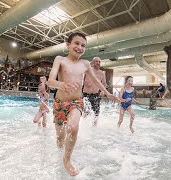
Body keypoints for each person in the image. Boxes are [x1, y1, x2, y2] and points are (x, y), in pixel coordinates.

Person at [47, 32, 118, 176]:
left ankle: (67, 160)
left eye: (83, 45)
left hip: (76, 101)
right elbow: (50, 81)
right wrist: (61, 85)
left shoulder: (85, 64)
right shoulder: (60, 59)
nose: (80, 47)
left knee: (73, 127)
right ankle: (60, 152)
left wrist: (107, 92)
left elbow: (96, 81)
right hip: (60, 102)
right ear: (68, 45)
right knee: (60, 137)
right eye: (77, 43)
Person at [82, 57, 107, 126]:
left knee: (96, 112)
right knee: (86, 111)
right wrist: (85, 83)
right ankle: (83, 125)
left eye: (99, 61)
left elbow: (104, 84)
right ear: (93, 62)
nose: (98, 63)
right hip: (86, 94)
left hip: (96, 95)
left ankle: (94, 126)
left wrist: (102, 91)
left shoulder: (102, 73)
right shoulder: (88, 70)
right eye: (96, 61)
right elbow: (81, 79)